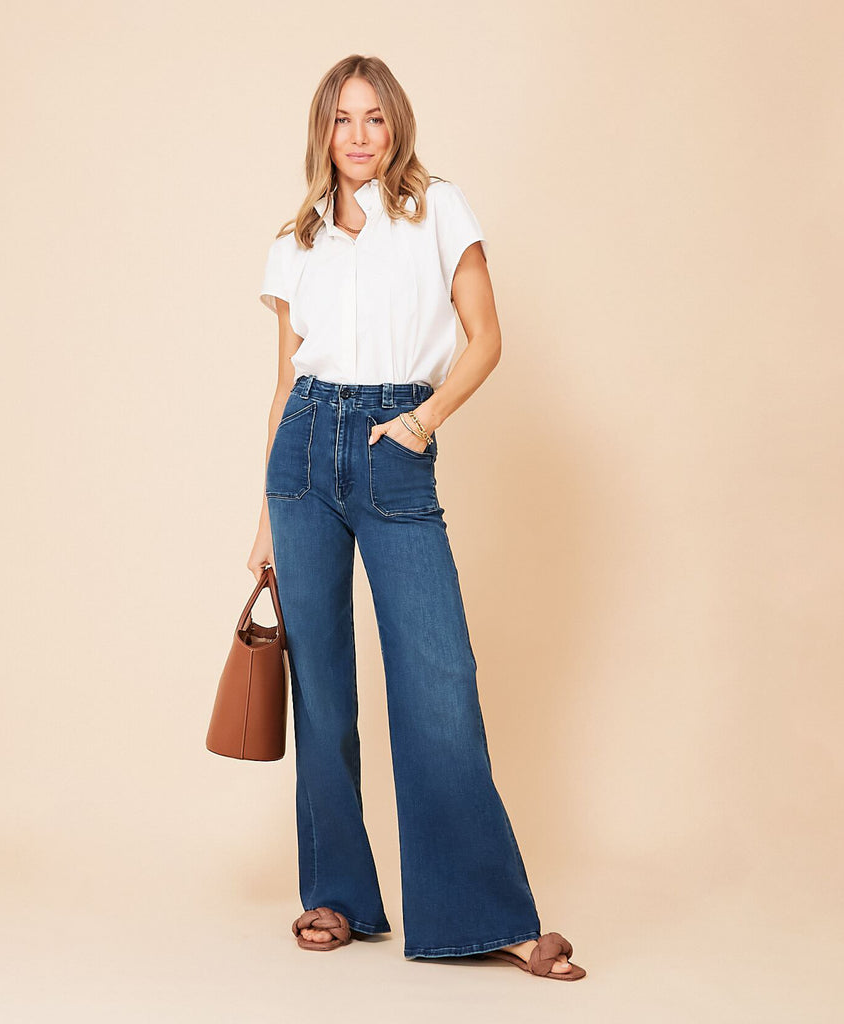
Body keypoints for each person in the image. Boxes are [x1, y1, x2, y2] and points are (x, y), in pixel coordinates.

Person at [247, 54, 586, 981]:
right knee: (320, 682)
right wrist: (266, 518)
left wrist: (422, 422)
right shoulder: (297, 240)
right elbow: (285, 381)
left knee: (438, 680)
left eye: (374, 119)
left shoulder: (438, 207)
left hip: (396, 444)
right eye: (341, 120)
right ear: (323, 132)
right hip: (304, 455)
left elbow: (487, 338)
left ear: (396, 126)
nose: (358, 136)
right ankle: (337, 898)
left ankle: (483, 916)